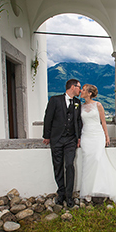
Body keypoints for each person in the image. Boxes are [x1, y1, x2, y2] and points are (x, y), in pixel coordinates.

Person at [79, 84, 116, 207]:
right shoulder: (80, 107)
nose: (81, 91)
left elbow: (103, 121)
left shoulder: (98, 105)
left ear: (89, 93)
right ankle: (87, 191)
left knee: (96, 159)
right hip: (86, 136)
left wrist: (106, 136)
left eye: (83, 90)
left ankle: (99, 187)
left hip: (97, 135)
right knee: (87, 161)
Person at [43, 79, 82, 207]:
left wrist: (79, 137)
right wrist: (47, 136)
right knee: (58, 166)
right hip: (57, 139)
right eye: (79, 87)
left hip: (71, 139)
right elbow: (48, 118)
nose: (80, 90)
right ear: (72, 87)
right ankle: (61, 194)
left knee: (69, 165)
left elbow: (78, 121)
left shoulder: (77, 102)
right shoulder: (55, 100)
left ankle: (69, 196)